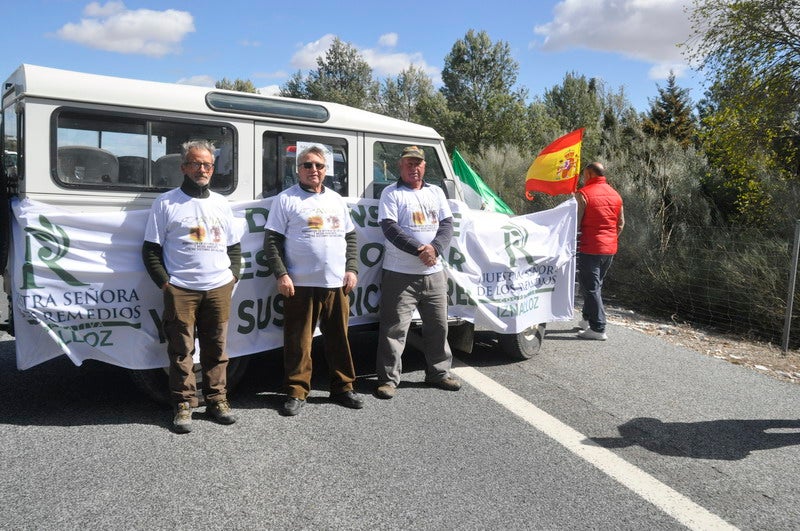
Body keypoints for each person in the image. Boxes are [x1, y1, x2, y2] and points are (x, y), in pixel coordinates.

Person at [142, 139, 242, 433]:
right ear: (184, 167)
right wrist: (166, 285)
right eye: (196, 163)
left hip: (218, 287)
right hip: (181, 289)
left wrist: (232, 276)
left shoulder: (222, 204)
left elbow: (234, 247)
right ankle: (184, 404)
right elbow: (150, 250)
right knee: (181, 350)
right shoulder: (166, 203)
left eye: (208, 164)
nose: (203, 169)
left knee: (217, 348)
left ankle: (217, 400)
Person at [264, 145, 364, 416]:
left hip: (336, 283)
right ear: (298, 169)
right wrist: (282, 274)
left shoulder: (336, 200)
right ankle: (296, 391)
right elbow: (272, 242)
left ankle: (344, 387)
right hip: (300, 284)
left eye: (319, 166)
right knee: (299, 341)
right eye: (307, 165)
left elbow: (351, 237)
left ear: (326, 170)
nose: (313, 170)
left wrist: (352, 269)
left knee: (339, 339)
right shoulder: (286, 199)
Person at [375, 146, 461, 399]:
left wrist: (434, 249)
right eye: (409, 163)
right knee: (394, 330)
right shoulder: (391, 193)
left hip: (434, 273)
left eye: (418, 163)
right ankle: (388, 380)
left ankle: (439, 373)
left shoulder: (436, 192)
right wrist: (420, 250)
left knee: (438, 326)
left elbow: (447, 225)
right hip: (399, 273)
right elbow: (389, 228)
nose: (414, 167)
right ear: (400, 166)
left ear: (424, 166)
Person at [575, 161, 624, 341]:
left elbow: (576, 223)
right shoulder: (616, 194)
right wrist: (610, 237)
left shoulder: (583, 194)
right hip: (609, 248)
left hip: (590, 247)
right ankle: (587, 319)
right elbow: (621, 223)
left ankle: (598, 328)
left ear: (588, 175)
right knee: (596, 285)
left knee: (590, 286)